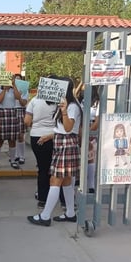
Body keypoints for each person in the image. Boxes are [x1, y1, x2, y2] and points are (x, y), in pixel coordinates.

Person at [27, 77, 82, 226]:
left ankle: (45, 216)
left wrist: (63, 112)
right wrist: (49, 136)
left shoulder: (71, 107)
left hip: (66, 145)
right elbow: (64, 129)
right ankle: (70, 213)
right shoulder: (68, 105)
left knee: (55, 180)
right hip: (63, 143)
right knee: (66, 181)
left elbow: (69, 128)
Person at [24, 86, 56, 208]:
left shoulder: (34, 100)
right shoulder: (60, 102)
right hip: (53, 136)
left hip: (36, 136)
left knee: (42, 168)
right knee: (52, 168)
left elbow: (27, 121)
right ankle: (54, 194)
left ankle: (42, 198)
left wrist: (37, 124)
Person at [0, 74, 26, 170]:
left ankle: (13, 160)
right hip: (1, 113)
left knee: (12, 139)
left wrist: (13, 85)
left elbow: (19, 97)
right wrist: (4, 89)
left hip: (12, 113)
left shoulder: (13, 89)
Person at [13, 74, 28, 164]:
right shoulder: (9, 89)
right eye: (16, 79)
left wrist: (19, 96)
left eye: (19, 79)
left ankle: (21, 156)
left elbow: (23, 103)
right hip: (12, 110)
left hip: (21, 110)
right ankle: (15, 155)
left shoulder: (25, 90)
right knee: (13, 135)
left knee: (21, 135)